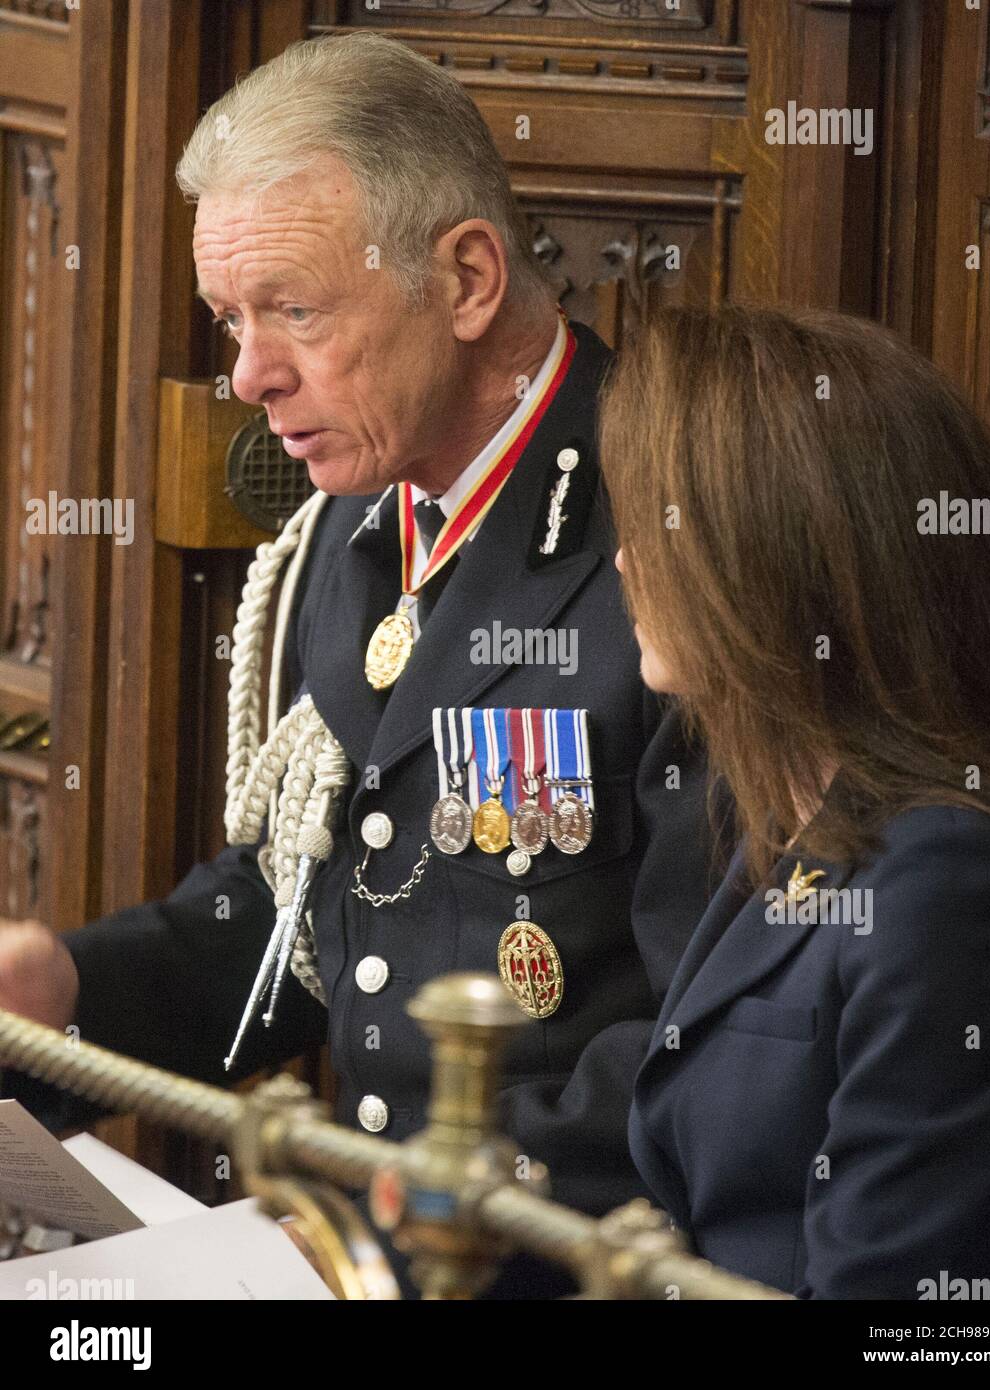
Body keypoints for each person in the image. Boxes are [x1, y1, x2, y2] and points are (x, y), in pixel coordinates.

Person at [0, 34, 716, 1298]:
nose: (248, 374)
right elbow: (305, 921)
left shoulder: (674, 538)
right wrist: (66, 990)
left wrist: (387, 1235)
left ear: (469, 279)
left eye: (295, 309)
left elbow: (707, 1050)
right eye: (233, 319)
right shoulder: (356, 520)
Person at [601, 304, 990, 1299]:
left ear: (770, 554)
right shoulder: (772, 797)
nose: (624, 561)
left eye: (657, 524)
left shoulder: (948, 878)